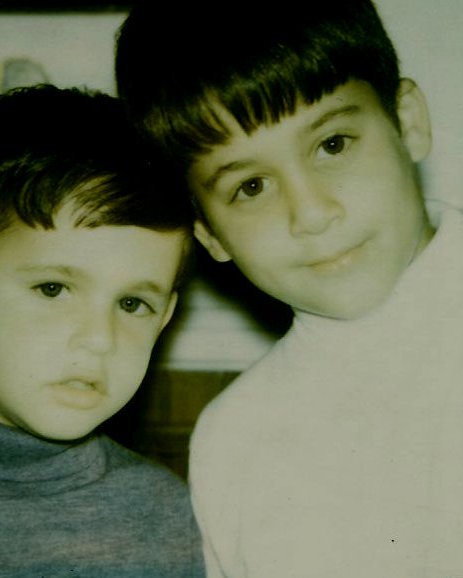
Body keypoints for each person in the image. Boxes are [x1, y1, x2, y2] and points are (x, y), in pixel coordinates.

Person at [115, 1, 463, 575]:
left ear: (409, 122)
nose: (312, 214)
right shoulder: (233, 439)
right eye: (251, 186)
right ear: (208, 233)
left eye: (333, 145)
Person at [0, 84, 204, 578]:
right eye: (53, 289)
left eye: (132, 304)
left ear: (165, 316)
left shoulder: (170, 515)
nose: (100, 339)